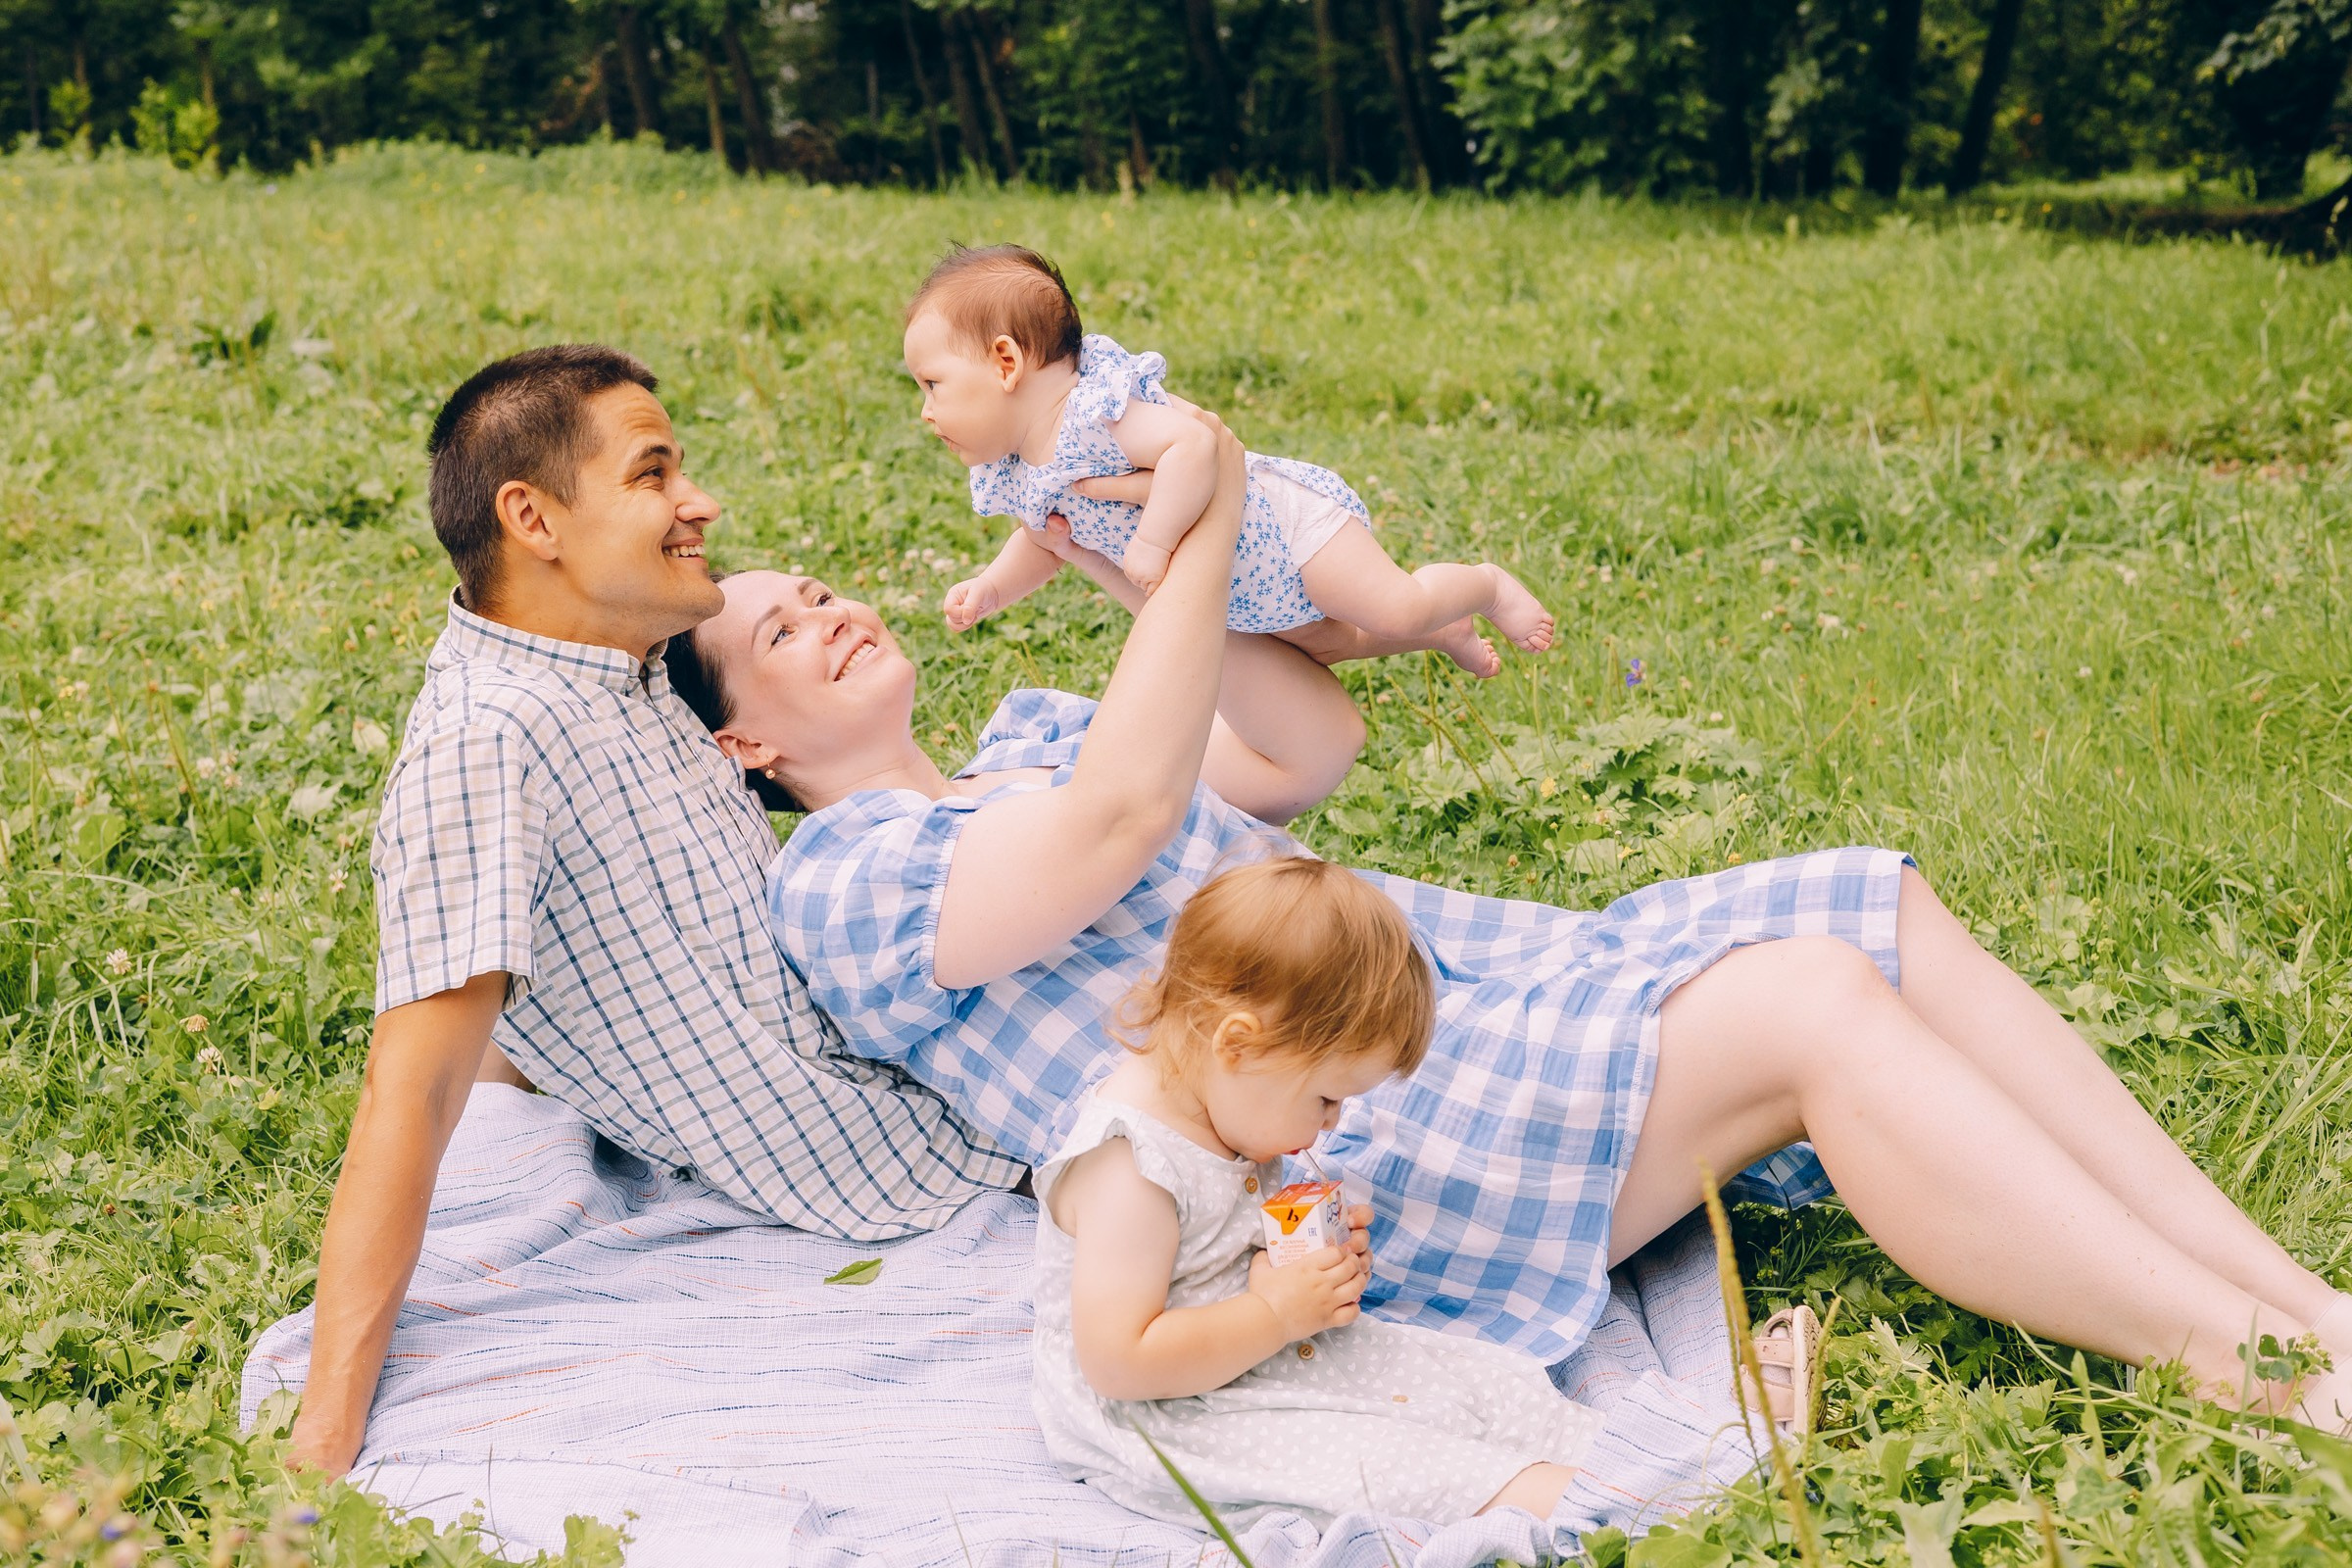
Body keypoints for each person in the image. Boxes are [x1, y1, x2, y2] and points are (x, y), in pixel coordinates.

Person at [669, 392, 2352, 1439]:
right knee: (1814, 1005)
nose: (825, 611)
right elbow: (1116, 828)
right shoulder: (846, 884)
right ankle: (2253, 1368)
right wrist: (1212, 509)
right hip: (1361, 1128)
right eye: (776, 634)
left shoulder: (1036, 739)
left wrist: (1134, 549)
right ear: (747, 746)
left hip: (1463, 991)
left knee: (1875, 902)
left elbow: (1302, 745)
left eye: (815, 588)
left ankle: (2299, 1306)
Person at [285, 346, 1023, 1478]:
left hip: (936, 1052)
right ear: (533, 519)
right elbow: (413, 1091)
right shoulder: (489, 744)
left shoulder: (627, 661)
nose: (701, 503)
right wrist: (321, 1447)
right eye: (653, 475)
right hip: (917, 1161)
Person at [1036, 854, 1606, 1528]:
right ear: (1238, 1045)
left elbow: (1215, 1256)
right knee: (1384, 1465)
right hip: (1163, 1412)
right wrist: (1275, 1315)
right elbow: (1119, 1363)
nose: (1333, 1122)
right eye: (1327, 1098)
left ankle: (1614, 1461)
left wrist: (1303, 1271)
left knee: (1463, 1382)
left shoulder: (1224, 1104)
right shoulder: (1132, 1170)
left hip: (1240, 1352)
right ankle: (1595, 1509)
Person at [906, 244, 1553, 678]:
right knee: (1330, 645)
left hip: (1287, 533)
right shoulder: (1022, 472)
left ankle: (1486, 586)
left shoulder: (1094, 414)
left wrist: (1153, 543)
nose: (927, 411)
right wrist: (992, 588)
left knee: (1395, 608)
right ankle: (1443, 632)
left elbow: (1193, 447)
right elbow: (1045, 541)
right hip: (1248, 593)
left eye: (933, 384)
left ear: (1006, 362)